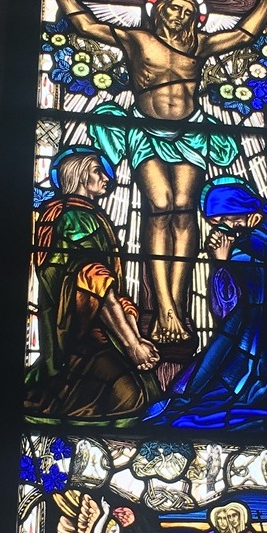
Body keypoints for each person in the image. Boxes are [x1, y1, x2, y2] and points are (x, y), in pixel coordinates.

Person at [44, 0, 267, 344]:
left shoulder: (199, 45)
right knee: (160, 207)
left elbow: (243, 34)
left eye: (188, 12)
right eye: (174, 8)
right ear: (158, 12)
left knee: (185, 210)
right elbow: (88, 27)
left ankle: (180, 307)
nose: (181, 15)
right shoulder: (137, 39)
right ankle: (165, 306)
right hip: (146, 131)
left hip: (191, 131)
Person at [144, 176, 267, 432]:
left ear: (241, 208)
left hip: (256, 345)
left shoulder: (257, 241)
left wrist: (222, 260)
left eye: (225, 219)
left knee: (205, 394)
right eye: (217, 223)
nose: (224, 228)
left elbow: (233, 306)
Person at [24, 145, 160, 421]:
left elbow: (108, 289)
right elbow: (95, 283)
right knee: (130, 398)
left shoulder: (80, 214)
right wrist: (132, 344)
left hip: (93, 332)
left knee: (144, 392)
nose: (106, 177)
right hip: (83, 337)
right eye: (98, 170)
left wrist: (133, 333)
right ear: (78, 173)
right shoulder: (75, 217)